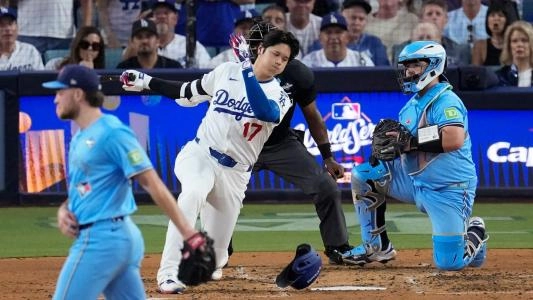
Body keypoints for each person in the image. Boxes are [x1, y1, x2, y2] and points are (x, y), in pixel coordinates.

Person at [119, 28, 300, 293]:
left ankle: (209, 251)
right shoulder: (226, 71)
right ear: (260, 49)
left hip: (235, 174)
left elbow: (264, 111)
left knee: (215, 261)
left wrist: (246, 68)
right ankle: (167, 274)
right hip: (200, 155)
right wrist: (146, 81)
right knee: (191, 194)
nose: (278, 62)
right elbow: (186, 92)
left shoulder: (280, 95)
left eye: (284, 59)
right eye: (275, 54)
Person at [43, 64, 212, 299]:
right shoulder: (81, 136)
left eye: (60, 92)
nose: (55, 99)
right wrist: (65, 209)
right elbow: (83, 187)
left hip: (101, 241)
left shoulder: (112, 133)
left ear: (78, 94)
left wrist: (189, 234)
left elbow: (151, 182)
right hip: (118, 239)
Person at [341, 41, 488, 271]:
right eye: (406, 67)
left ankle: (475, 230)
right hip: (414, 181)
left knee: (449, 263)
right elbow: (406, 147)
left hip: (448, 188)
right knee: (365, 174)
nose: (409, 71)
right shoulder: (412, 104)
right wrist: (388, 152)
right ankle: (376, 247)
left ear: (434, 65)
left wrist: (409, 141)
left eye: (416, 66)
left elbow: (453, 138)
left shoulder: (446, 101)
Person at [149, 0, 212, 68]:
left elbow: (207, 72)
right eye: (157, 13)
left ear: (176, 18)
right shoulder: (144, 45)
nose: (161, 17)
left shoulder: (192, 46)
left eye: (166, 13)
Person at [302, 12, 375, 67]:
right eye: (328, 32)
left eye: (338, 32)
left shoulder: (361, 61)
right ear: (320, 38)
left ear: (347, 37)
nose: (333, 37)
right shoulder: (308, 62)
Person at [419, 0, 471, 66]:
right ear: (421, 19)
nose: (434, 17)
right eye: (429, 14)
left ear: (446, 19)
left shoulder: (459, 51)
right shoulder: (408, 49)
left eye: (438, 14)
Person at [116, 18, 182, 69]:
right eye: (139, 37)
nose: (144, 41)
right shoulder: (123, 69)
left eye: (149, 36)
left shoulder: (173, 67)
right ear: (132, 42)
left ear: (157, 40)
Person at [0, 6, 44, 71]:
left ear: (17, 27)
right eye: (1, 25)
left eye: (11, 24)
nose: (8, 29)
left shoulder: (30, 51)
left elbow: (41, 78)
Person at [495, 21, 533, 87]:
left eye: (524, 40)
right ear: (509, 46)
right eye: (514, 41)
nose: (519, 45)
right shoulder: (500, 77)